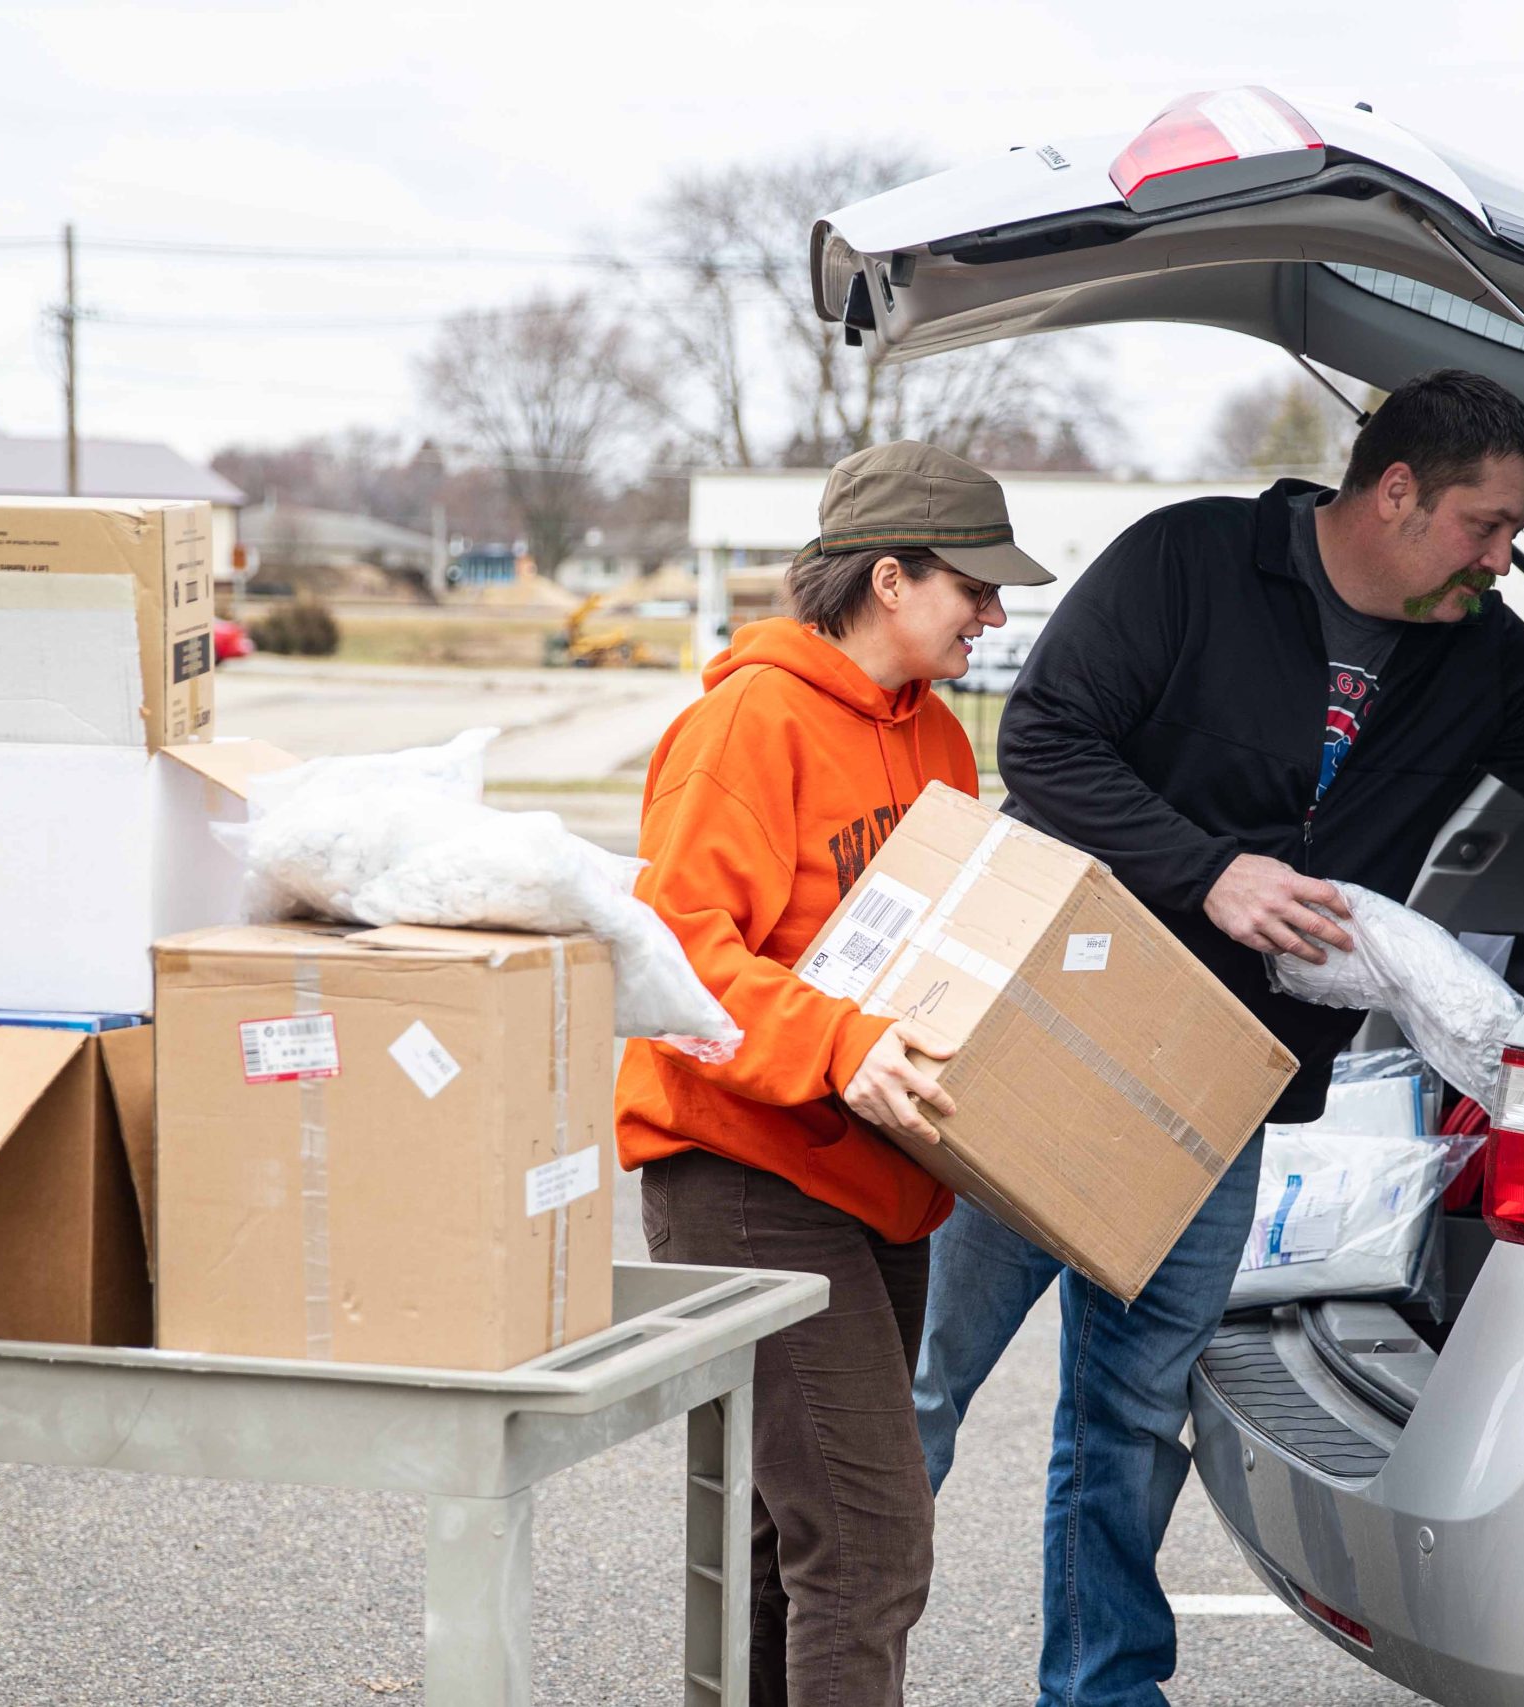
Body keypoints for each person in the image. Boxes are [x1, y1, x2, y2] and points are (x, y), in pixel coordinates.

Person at [913, 369, 1524, 1706]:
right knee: (917, 1390)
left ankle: (1104, 1691)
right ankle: (818, 1669)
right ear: (1396, 490)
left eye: (1518, 531)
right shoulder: (1190, 561)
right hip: (1053, 1036)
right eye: (1485, 523)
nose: (1502, 557)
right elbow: (1049, 746)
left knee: (1126, 1416)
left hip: (1226, 1084)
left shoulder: (1478, 647)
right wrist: (1210, 869)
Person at [619, 439, 1056, 1706]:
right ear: (885, 578)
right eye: (972, 585)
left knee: (793, 1544)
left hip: (882, 1179)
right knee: (868, 1544)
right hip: (744, 1168)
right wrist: (845, 1045)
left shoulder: (939, 744)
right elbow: (678, 963)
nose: (994, 612)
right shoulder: (744, 725)